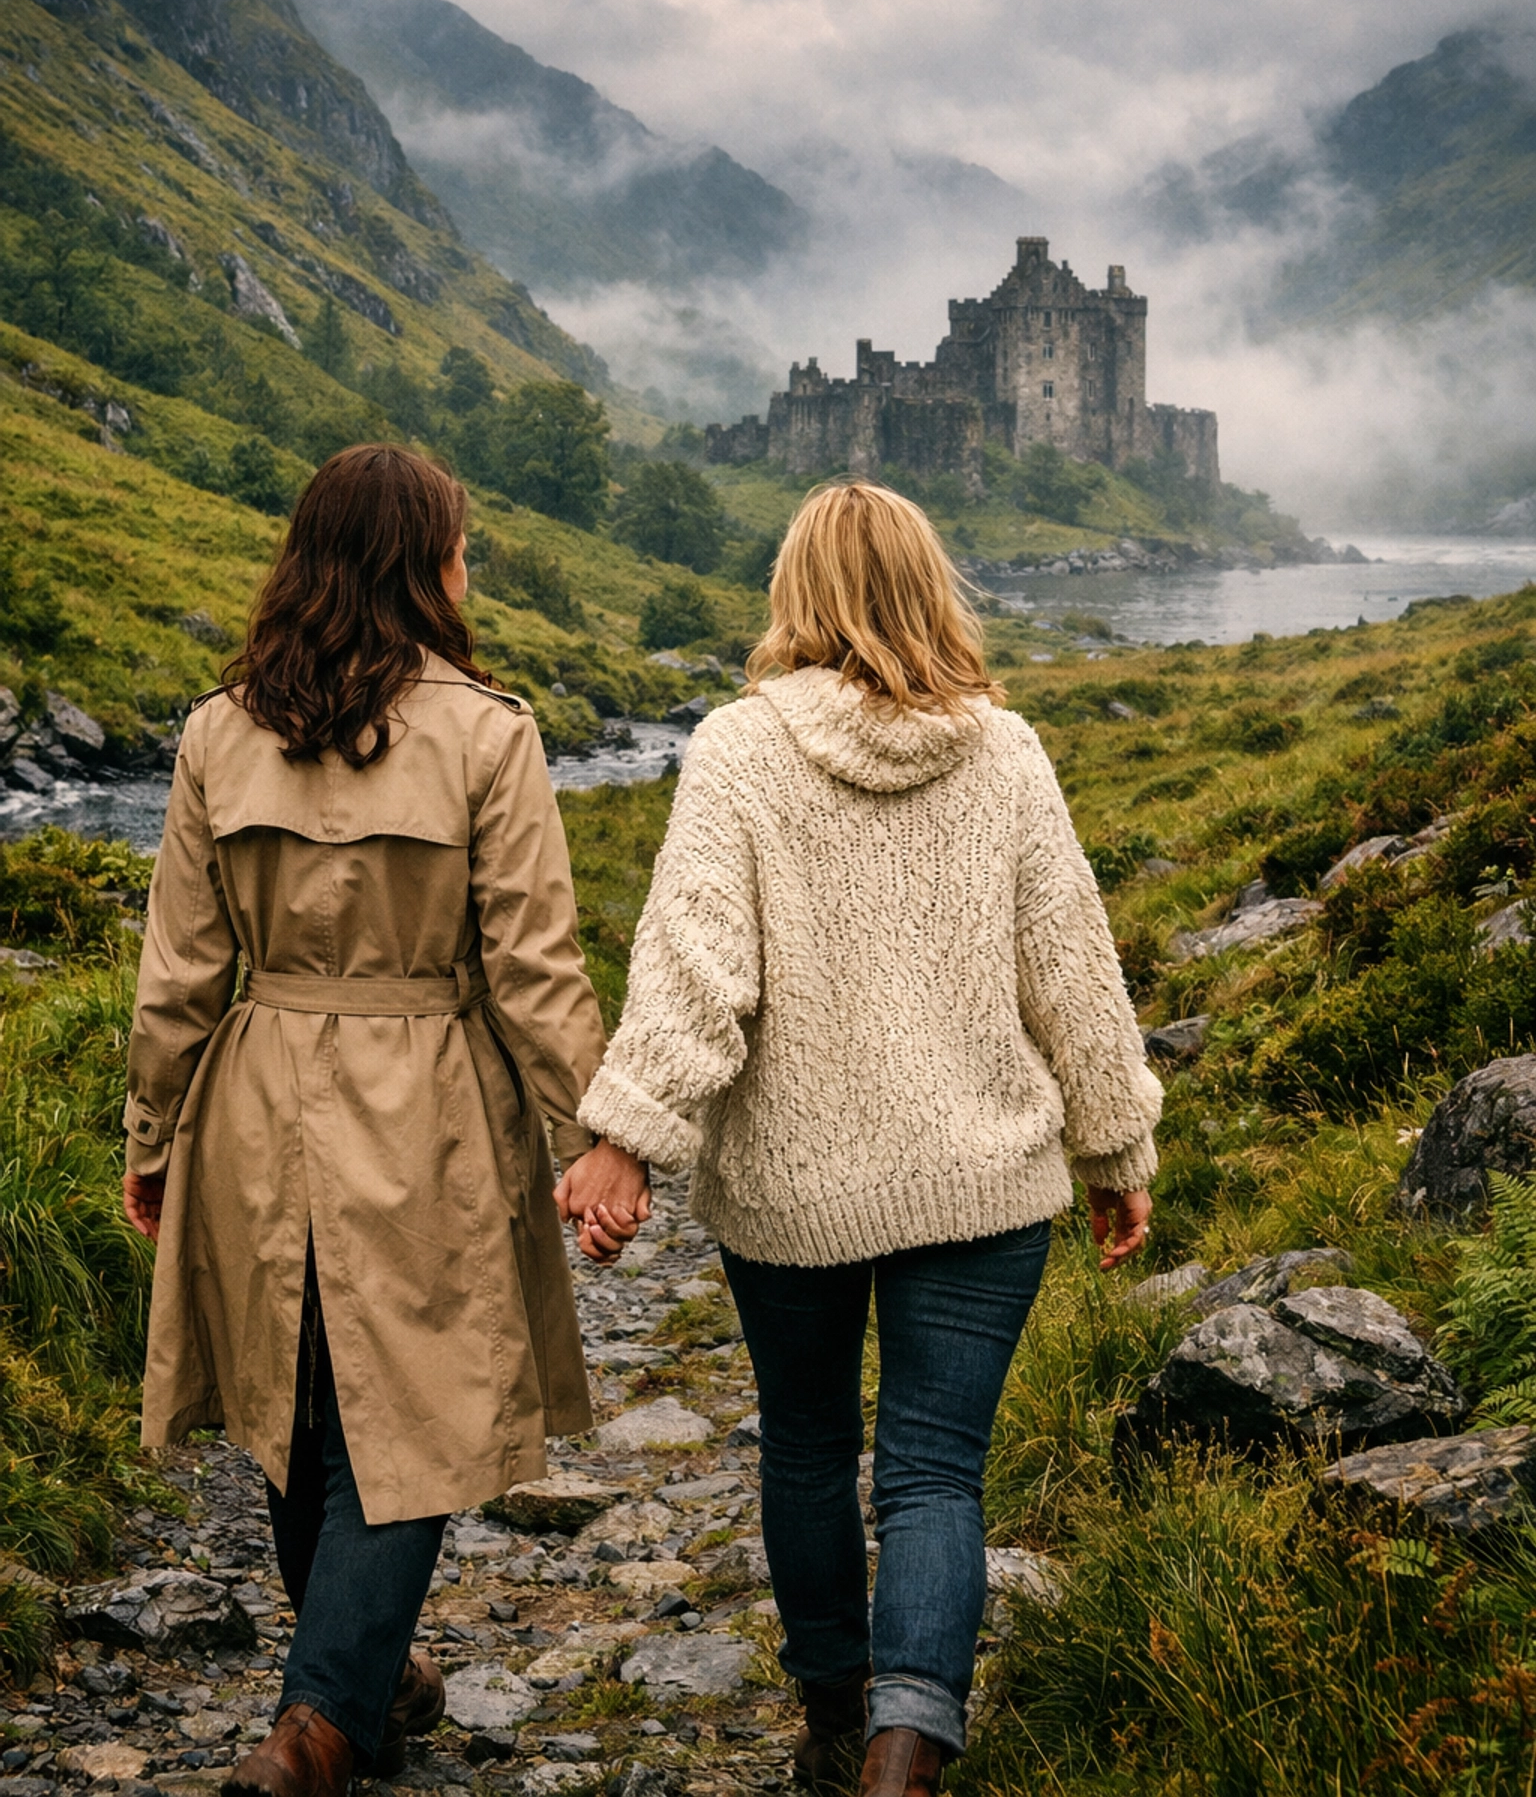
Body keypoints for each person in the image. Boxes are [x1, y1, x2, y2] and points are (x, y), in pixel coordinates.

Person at [561, 480, 1159, 1797]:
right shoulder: (1005, 751)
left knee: (811, 1444)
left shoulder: (736, 747)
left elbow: (691, 972)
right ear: (929, 588)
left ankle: (835, 1716)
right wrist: (1116, 1151)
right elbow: (1074, 975)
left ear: (799, 594)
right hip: (981, 1179)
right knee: (937, 1471)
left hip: (795, 1182)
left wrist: (627, 1140)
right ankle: (907, 1753)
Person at [123, 445, 621, 1797]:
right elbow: (533, 965)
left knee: (300, 1405)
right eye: (460, 545)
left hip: (254, 1096)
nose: (472, 569)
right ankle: (319, 1732)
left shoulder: (220, 729)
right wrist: (596, 1136)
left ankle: (362, 1673)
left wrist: (154, 1138)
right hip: (427, 1102)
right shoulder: (486, 731)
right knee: (416, 1413)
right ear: (424, 565)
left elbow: (179, 974)